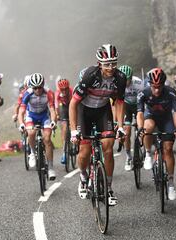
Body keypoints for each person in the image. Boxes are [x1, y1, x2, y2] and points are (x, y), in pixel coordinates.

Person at [69, 44, 126, 206]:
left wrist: (120, 126)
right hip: (84, 111)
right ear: (99, 63)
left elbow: (120, 102)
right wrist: (73, 131)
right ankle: (83, 176)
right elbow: (73, 104)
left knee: (108, 146)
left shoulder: (120, 78)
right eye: (107, 64)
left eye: (114, 63)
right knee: (85, 150)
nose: (111, 67)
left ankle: (108, 189)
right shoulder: (90, 75)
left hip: (103, 110)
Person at [137, 67, 176, 200]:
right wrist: (140, 128)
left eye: (159, 86)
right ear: (149, 84)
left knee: (168, 149)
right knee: (148, 126)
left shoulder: (170, 92)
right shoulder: (143, 93)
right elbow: (140, 113)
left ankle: (171, 184)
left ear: (163, 84)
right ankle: (147, 154)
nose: (156, 90)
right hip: (150, 117)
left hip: (166, 119)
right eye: (154, 86)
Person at [18, 73, 57, 180]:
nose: (38, 90)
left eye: (40, 87)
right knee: (31, 133)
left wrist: (53, 121)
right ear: (31, 87)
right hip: (31, 116)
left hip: (44, 116)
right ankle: (32, 153)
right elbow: (21, 111)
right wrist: (21, 123)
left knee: (47, 139)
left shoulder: (48, 93)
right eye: (35, 88)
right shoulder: (27, 94)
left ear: (43, 85)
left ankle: (50, 168)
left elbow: (52, 110)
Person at [117, 65, 144, 171]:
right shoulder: (118, 84)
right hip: (126, 106)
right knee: (127, 132)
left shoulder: (138, 83)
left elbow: (144, 99)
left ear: (131, 78)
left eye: (127, 79)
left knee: (142, 128)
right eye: (123, 79)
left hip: (138, 105)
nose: (125, 82)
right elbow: (117, 104)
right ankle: (128, 157)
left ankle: (144, 150)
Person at [55, 78, 73, 164]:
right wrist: (57, 115)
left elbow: (76, 104)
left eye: (66, 88)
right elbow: (56, 106)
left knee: (74, 123)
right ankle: (64, 151)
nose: (64, 91)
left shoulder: (71, 91)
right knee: (64, 127)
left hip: (71, 106)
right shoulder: (57, 93)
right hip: (63, 108)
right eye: (62, 89)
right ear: (59, 89)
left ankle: (75, 144)